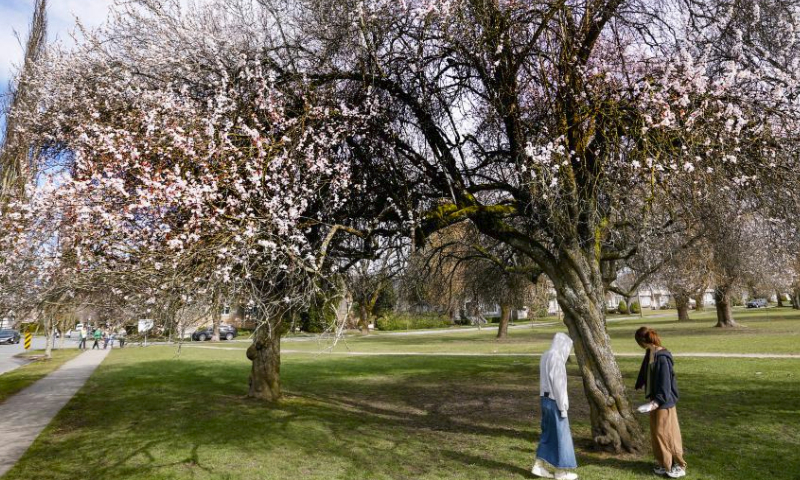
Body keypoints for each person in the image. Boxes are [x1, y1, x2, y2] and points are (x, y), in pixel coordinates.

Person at [634, 327, 687, 478]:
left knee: (668, 434)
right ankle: (665, 463)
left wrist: (656, 403)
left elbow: (665, 385)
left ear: (642, 341)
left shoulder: (662, 357)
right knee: (656, 433)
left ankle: (679, 465)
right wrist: (640, 382)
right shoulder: (650, 352)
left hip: (664, 402)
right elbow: (645, 369)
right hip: (654, 400)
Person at [532, 333, 578, 480]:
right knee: (562, 436)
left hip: (544, 399)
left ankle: (538, 465)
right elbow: (559, 385)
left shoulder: (545, 355)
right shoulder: (556, 359)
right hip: (554, 400)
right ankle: (561, 471)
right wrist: (563, 406)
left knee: (548, 433)